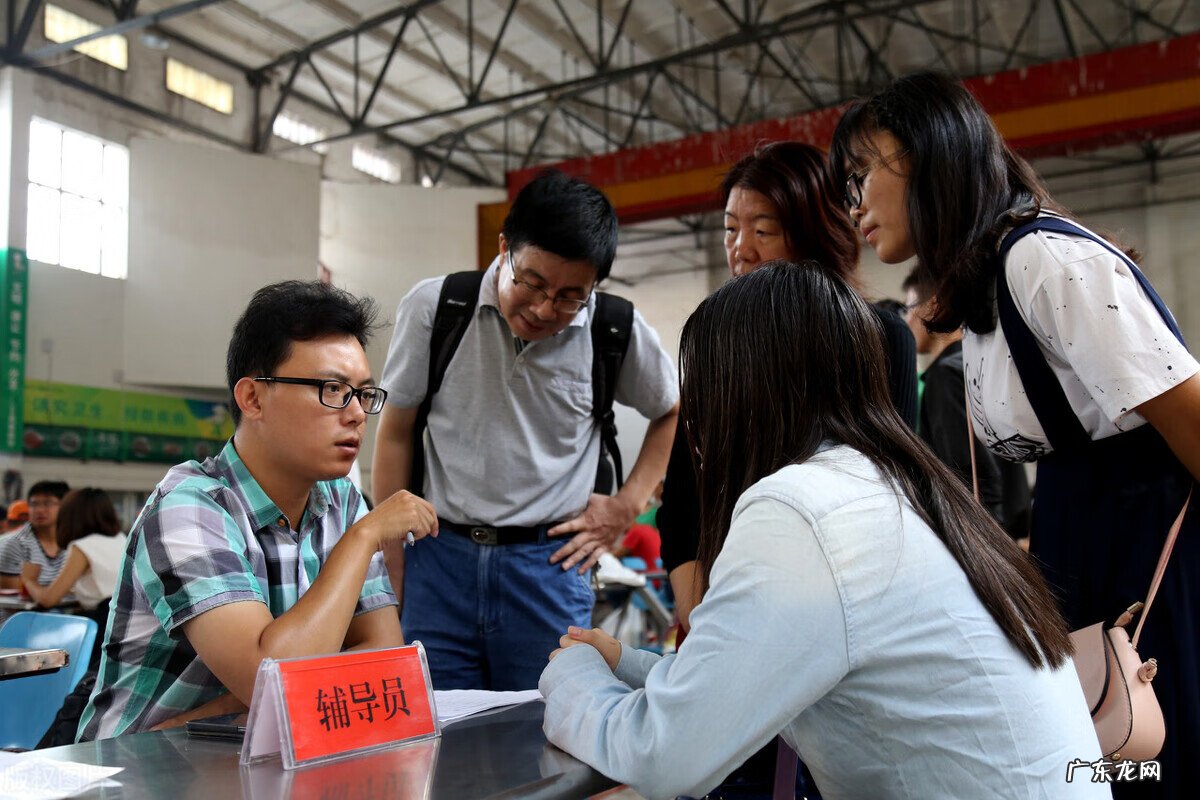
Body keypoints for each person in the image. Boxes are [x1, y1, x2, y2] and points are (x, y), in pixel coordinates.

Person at [540, 263, 1104, 800]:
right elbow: (746, 678)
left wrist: (574, 676)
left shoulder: (799, 509)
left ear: (744, 394)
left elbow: (663, 756)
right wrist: (625, 662)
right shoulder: (906, 485)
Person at [830, 71, 1199, 798]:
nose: (853, 205)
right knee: (1100, 764)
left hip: (1153, 555)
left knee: (1153, 757)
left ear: (927, 152)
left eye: (860, 174)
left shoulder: (1043, 258)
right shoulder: (987, 283)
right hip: (1081, 555)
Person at [78, 281, 438, 740]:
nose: (356, 415)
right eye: (331, 388)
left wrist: (220, 711)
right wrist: (363, 538)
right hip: (138, 771)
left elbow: (380, 656)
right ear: (252, 398)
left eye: (363, 394)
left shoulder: (342, 502)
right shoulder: (189, 508)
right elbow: (268, 682)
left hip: (248, 751)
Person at [372, 169, 678, 691]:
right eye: (531, 282)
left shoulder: (613, 329)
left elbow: (672, 411)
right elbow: (396, 432)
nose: (542, 309)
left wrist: (625, 506)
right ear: (504, 249)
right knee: (437, 735)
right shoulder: (438, 308)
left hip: (548, 567)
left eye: (568, 296)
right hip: (439, 559)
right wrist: (392, 560)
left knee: (541, 733)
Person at [659, 141, 917, 633]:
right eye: (731, 229)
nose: (741, 249)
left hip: (844, 608)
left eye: (763, 230)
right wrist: (700, 616)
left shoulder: (882, 338)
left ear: (814, 234)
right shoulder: (716, 351)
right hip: (727, 606)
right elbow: (682, 508)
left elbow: (898, 494)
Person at [901, 270, 1031, 543]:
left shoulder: (946, 375)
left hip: (986, 540)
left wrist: (983, 552)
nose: (907, 319)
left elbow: (972, 481)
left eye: (910, 306)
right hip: (1011, 528)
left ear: (934, 304)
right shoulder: (979, 363)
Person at [22, 488, 125, 611]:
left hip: (105, 621)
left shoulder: (83, 547)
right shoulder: (121, 539)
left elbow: (48, 600)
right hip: (127, 618)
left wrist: (29, 580)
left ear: (70, 516)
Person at [0, 480, 69, 589]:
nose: (39, 510)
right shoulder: (15, 544)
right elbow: (14, 596)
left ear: (65, 506)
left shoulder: (73, 542)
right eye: (33, 504)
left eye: (48, 503)